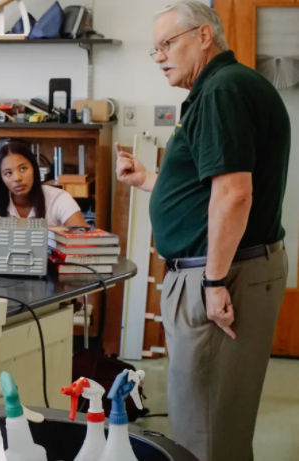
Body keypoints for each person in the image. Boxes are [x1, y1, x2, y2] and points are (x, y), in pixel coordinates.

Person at [116, 3, 290, 460]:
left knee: (205, 434)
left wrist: (213, 282)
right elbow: (206, 187)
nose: (159, 57)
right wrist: (148, 180)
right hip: (228, 269)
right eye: (155, 49)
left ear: (204, 36)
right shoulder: (227, 86)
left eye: (167, 44)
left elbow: (233, 195)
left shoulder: (222, 92)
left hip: (222, 275)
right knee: (212, 422)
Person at [0, 141, 88, 234]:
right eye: (8, 173)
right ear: (1, 178)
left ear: (34, 168)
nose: (17, 178)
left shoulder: (59, 198)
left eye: (23, 169)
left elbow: (83, 240)